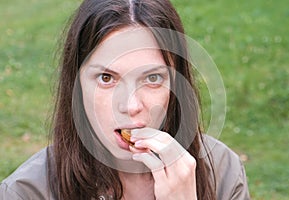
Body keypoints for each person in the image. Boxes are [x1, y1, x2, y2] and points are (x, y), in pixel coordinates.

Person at [0, 0, 250, 199]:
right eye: (107, 78)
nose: (130, 107)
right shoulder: (26, 193)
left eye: (152, 78)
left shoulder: (223, 171)